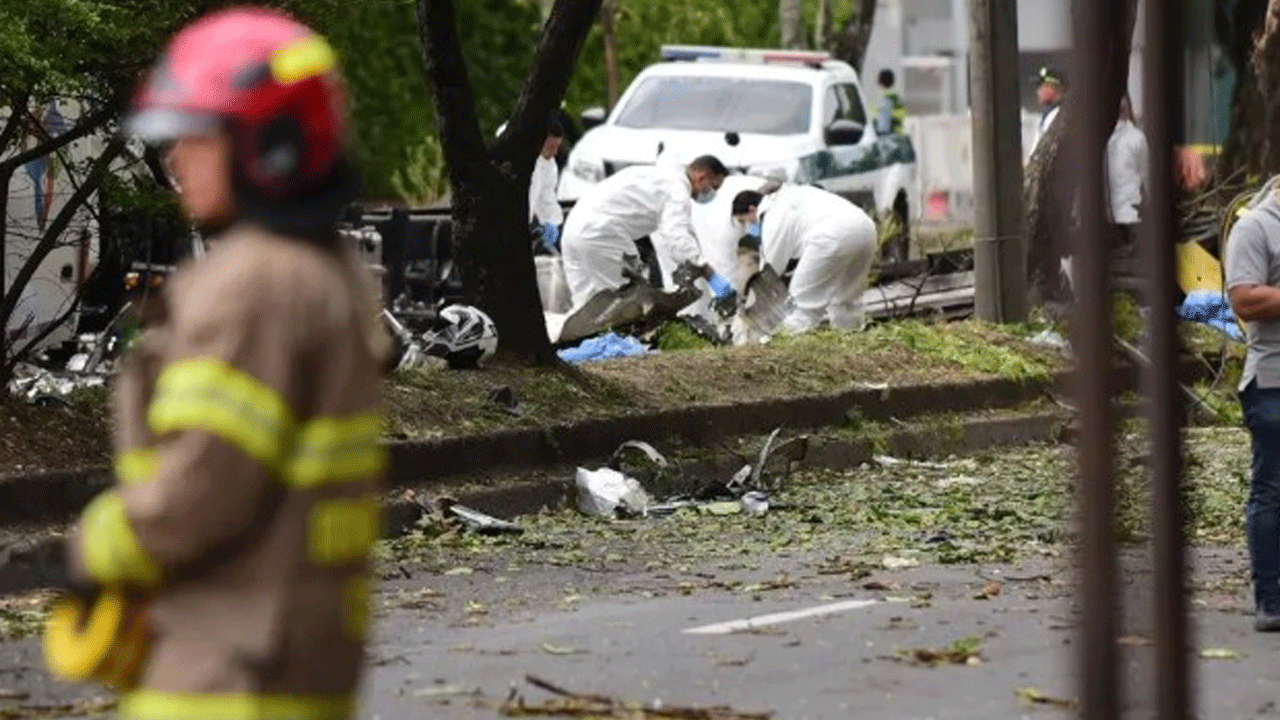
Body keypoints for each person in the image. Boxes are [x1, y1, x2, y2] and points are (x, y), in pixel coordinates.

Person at [55, 7, 390, 717]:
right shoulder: (325, 270)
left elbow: (208, 482)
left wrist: (94, 547)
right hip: (292, 651)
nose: (176, 159)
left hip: (226, 669)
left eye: (197, 137)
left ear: (271, 144)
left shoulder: (255, 285)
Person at [560, 155, 735, 311]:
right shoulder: (677, 191)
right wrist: (708, 273)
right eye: (713, 187)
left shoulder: (656, 175)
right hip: (601, 233)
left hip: (573, 229)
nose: (711, 194)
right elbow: (677, 238)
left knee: (584, 307)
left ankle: (574, 346)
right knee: (624, 303)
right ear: (701, 177)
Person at [730, 185, 878, 334]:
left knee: (801, 308)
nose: (747, 227)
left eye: (744, 221)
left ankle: (789, 351)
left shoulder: (771, 217)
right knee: (847, 300)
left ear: (752, 210)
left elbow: (771, 272)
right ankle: (852, 341)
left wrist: (750, 309)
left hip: (830, 237)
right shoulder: (789, 195)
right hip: (866, 229)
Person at [1105, 94, 1149, 247]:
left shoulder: (1099, 138)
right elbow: (1146, 177)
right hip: (1130, 217)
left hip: (1107, 220)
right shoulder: (1137, 138)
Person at [530, 119, 565, 253]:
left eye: (558, 147)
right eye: (552, 146)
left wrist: (553, 223)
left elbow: (547, 198)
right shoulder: (514, 156)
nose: (555, 152)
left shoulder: (549, 165)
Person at [1029, 66, 1066, 156]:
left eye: (1041, 86)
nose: (1038, 92)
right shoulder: (1049, 114)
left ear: (1051, 88)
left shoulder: (1058, 115)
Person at [874, 69, 906, 136]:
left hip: (887, 135)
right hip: (898, 134)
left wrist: (878, 134)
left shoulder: (885, 98)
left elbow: (884, 124)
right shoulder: (896, 97)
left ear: (881, 81)